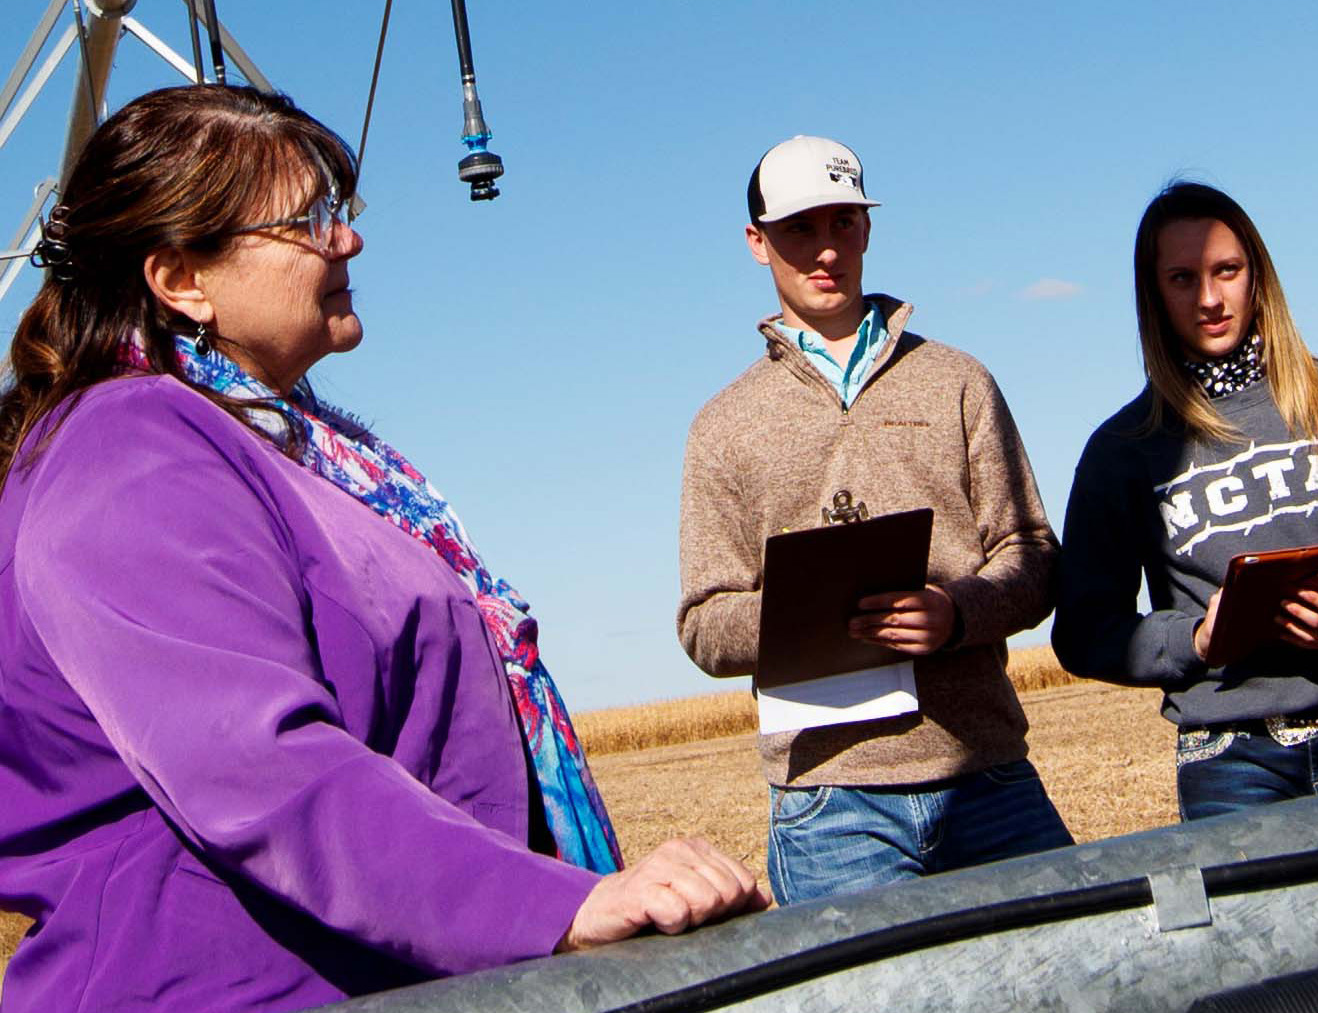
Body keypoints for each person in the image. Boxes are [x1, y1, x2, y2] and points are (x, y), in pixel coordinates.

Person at [0, 86, 763, 1011]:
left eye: (341, 213)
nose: (346, 240)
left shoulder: (294, 448)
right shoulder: (129, 452)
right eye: (306, 221)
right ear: (181, 280)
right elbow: (256, 768)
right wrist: (553, 906)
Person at [678, 135, 1072, 901]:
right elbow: (703, 623)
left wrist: (955, 612)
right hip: (830, 804)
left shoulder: (958, 381)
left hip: (986, 772)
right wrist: (809, 613)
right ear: (757, 243)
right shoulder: (721, 425)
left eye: (844, 223)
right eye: (799, 229)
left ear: (867, 229)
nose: (826, 250)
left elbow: (1032, 555)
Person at [1053, 182, 1318, 820]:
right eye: (1181, 278)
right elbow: (1084, 633)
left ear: (1258, 275)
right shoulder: (1122, 450)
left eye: (1227, 271)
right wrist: (1197, 639)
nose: (1208, 299)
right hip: (1232, 763)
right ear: (1153, 295)